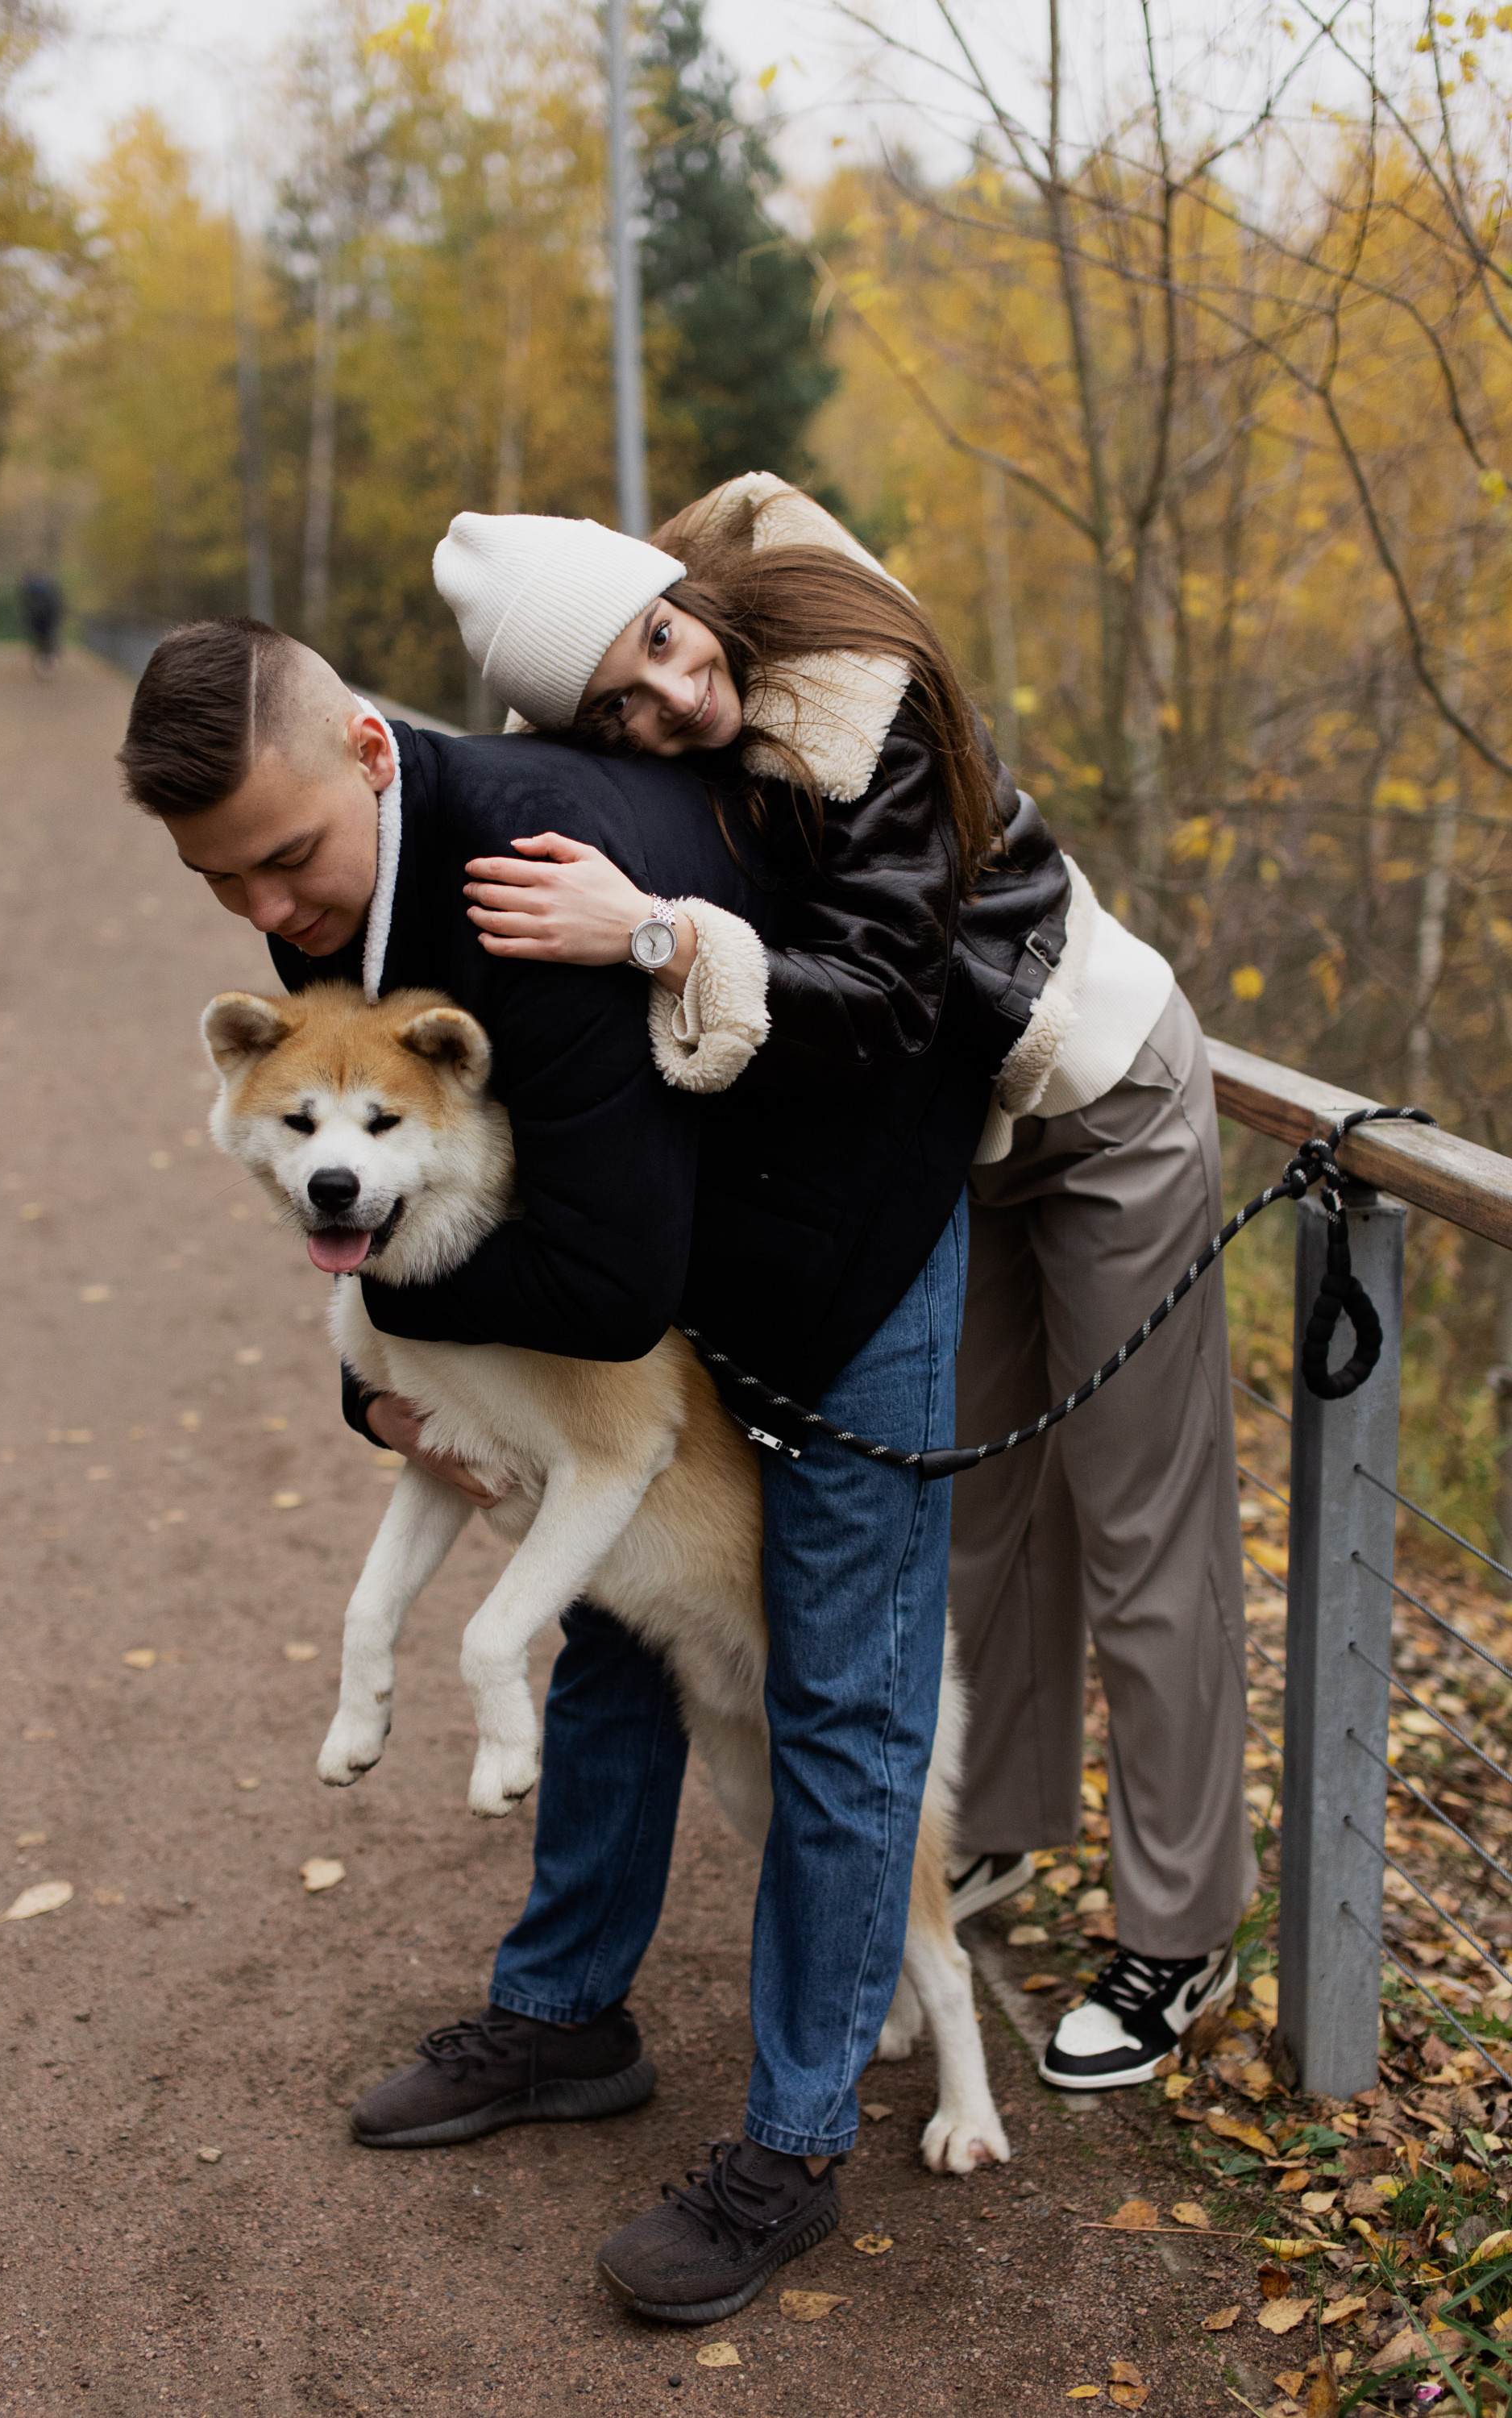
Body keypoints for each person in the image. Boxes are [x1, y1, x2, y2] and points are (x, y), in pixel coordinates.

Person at [116, 569, 990, 2327]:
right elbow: (410, 1234)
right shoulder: (333, 897)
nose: (270, 910)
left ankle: (797, 2142)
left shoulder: (523, 876)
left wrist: (400, 1357)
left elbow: (595, 1295)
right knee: (605, 1636)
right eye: (226, 881)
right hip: (682, 1241)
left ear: (369, 751)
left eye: (287, 856)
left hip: (851, 1231)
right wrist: (376, 1392)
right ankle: (567, 2017)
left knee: (830, 1687)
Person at [444, 472, 1255, 2096]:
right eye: (621, 701)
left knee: (1139, 1521)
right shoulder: (686, 745)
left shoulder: (848, 697)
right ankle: (1000, 1836)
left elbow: (881, 991)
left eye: (666, 641)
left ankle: (1180, 1932)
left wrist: (654, 937)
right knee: (979, 1506)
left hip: (1094, 1089)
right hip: (955, 1146)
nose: (675, 693)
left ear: (680, 593)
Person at [19, 573, 63, 674]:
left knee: (42, 640)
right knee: (48, 640)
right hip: (46, 622)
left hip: (42, 623)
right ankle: (48, 658)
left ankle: (45, 659)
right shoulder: (48, 593)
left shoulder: (32, 593)